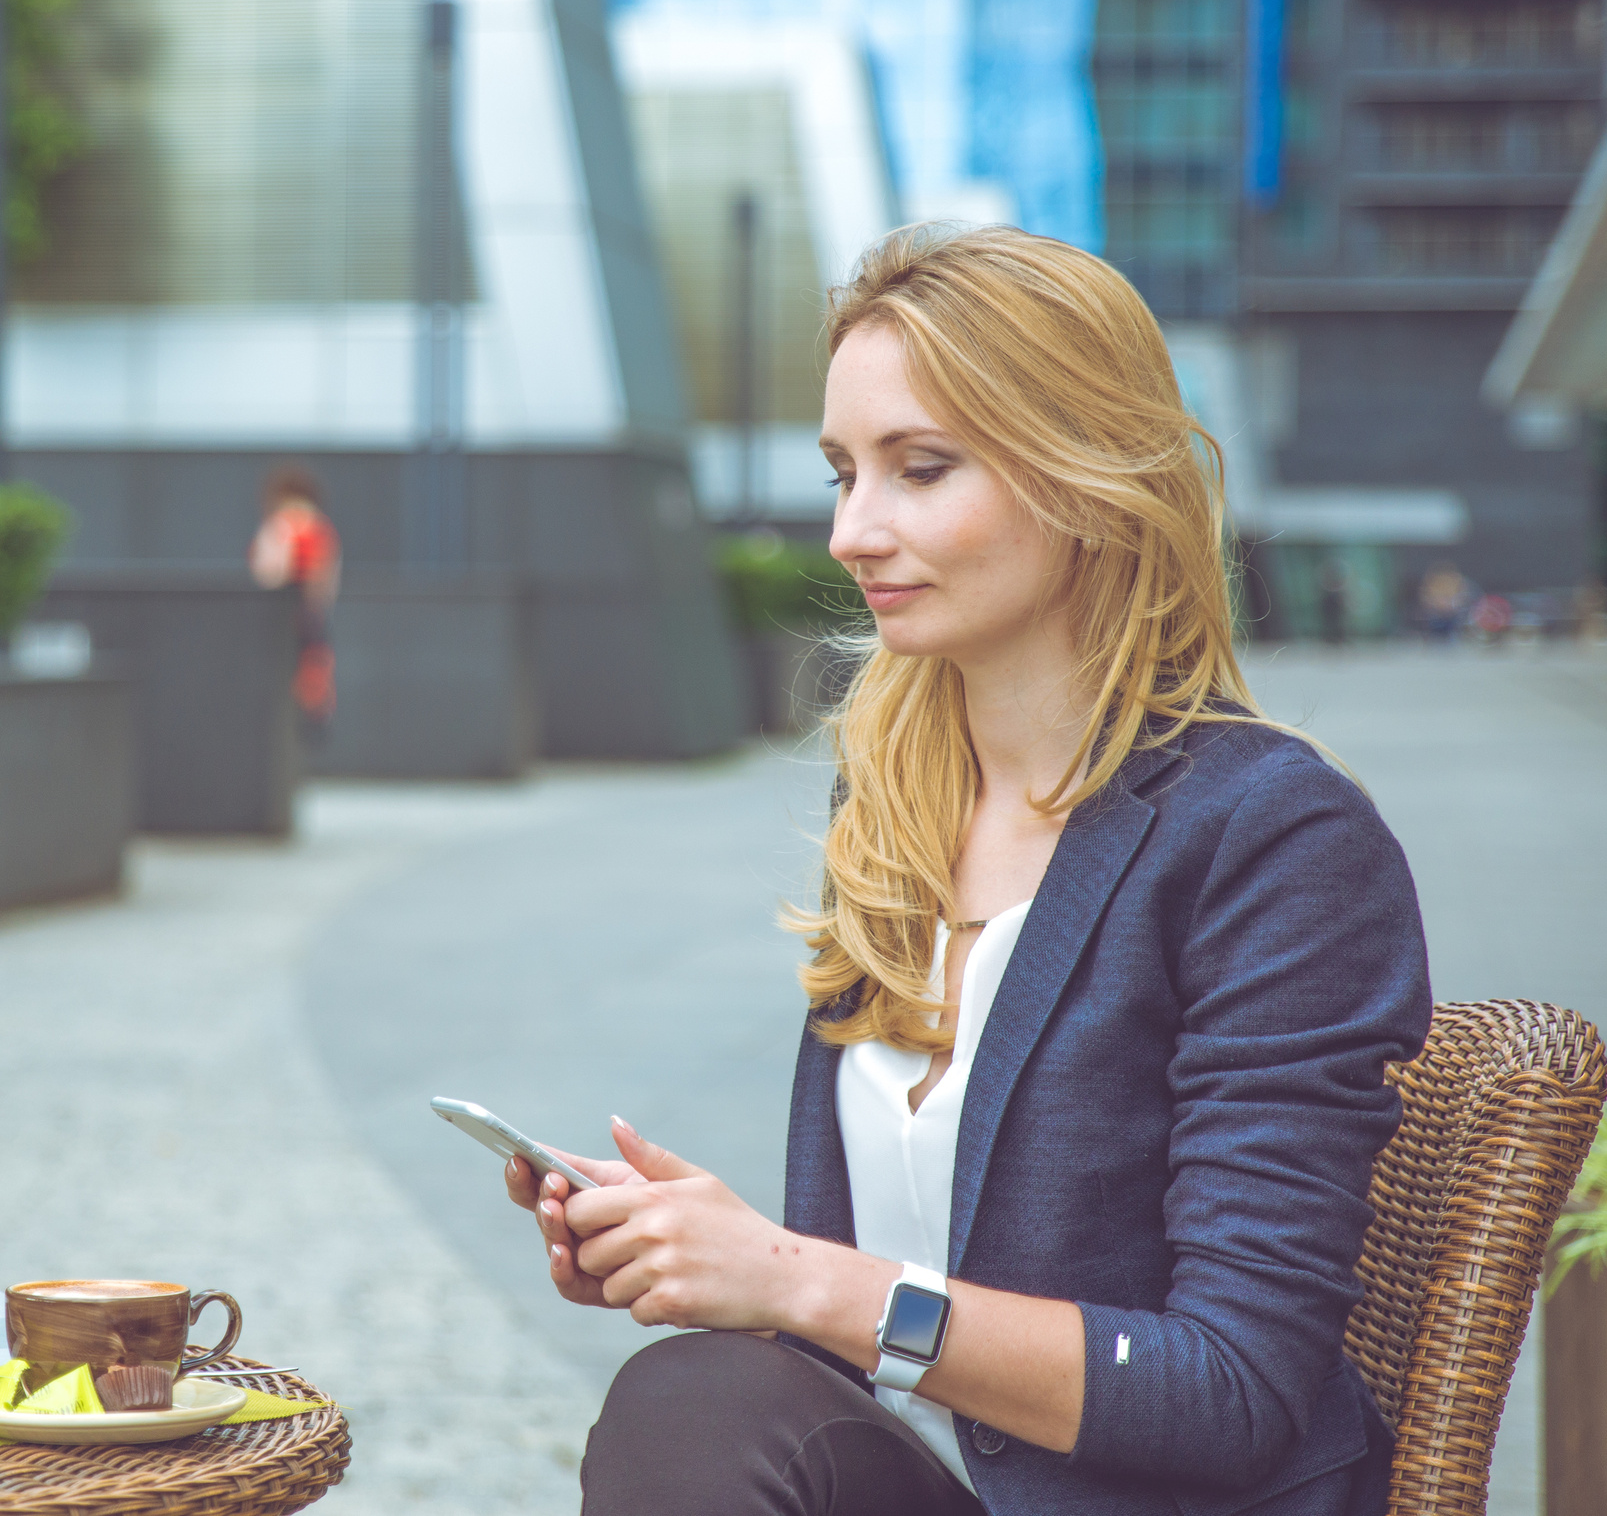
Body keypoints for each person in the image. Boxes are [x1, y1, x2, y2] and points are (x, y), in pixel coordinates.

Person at [498, 224, 1432, 1516]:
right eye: (841, 472)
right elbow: (854, 1330)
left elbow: (1234, 1388)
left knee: (701, 1403)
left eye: (919, 469)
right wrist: (694, 1252)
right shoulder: (893, 807)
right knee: (705, 1390)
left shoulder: (1273, 836)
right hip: (913, 1483)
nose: (851, 531)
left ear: (1086, 477)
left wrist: (794, 1276)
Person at [249, 463, 341, 732]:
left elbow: (269, 571)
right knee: (312, 670)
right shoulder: (320, 527)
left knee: (283, 674)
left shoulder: (281, 526)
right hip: (310, 611)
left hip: (283, 609)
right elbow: (327, 575)